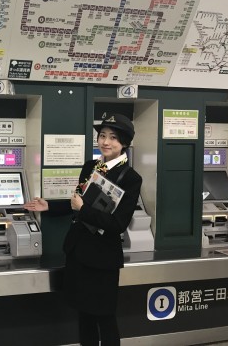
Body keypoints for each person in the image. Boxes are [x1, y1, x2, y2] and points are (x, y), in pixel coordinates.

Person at [24, 113, 142, 346]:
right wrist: (50, 206)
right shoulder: (90, 167)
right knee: (84, 316)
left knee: (105, 318)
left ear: (125, 144)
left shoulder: (130, 178)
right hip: (79, 252)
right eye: (102, 136)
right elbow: (77, 204)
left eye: (113, 138)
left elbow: (118, 223)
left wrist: (84, 208)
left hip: (102, 259)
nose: (106, 142)